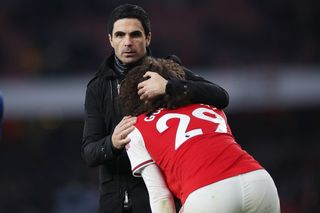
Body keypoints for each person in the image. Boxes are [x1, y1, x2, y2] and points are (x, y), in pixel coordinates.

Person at [81, 4, 229, 213]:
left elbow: (220, 96)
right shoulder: (97, 87)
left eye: (135, 35)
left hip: (163, 199)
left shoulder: (166, 70)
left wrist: (169, 86)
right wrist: (111, 143)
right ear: (110, 40)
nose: (127, 42)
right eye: (120, 35)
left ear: (148, 38)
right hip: (113, 204)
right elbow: (89, 153)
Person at [119, 57, 281, 213]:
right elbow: (217, 94)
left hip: (209, 193)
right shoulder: (210, 107)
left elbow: (160, 197)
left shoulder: (135, 127)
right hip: (260, 182)